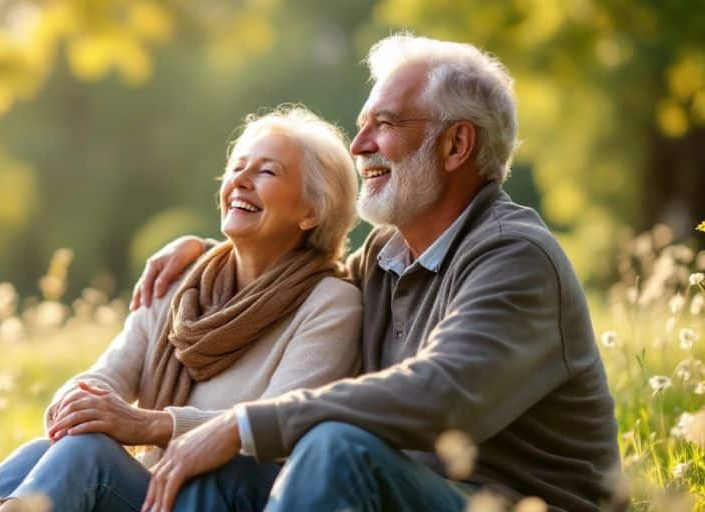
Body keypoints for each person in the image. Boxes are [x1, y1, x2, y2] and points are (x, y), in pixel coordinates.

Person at [133, 34, 621, 512]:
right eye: (362, 125)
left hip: (506, 504)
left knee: (335, 447)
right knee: (219, 478)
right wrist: (215, 252)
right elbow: (291, 286)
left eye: (383, 124)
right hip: (409, 493)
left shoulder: (514, 257)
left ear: (456, 145)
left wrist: (243, 424)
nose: (359, 145)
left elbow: (440, 394)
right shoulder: (385, 254)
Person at [0, 105, 364, 512]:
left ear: (310, 211)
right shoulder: (181, 279)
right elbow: (114, 368)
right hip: (154, 488)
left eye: (266, 171)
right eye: (237, 167)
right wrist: (80, 402)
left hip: (228, 497)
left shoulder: (330, 302)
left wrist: (148, 425)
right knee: (51, 448)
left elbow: (278, 427)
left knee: (86, 451)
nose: (242, 180)